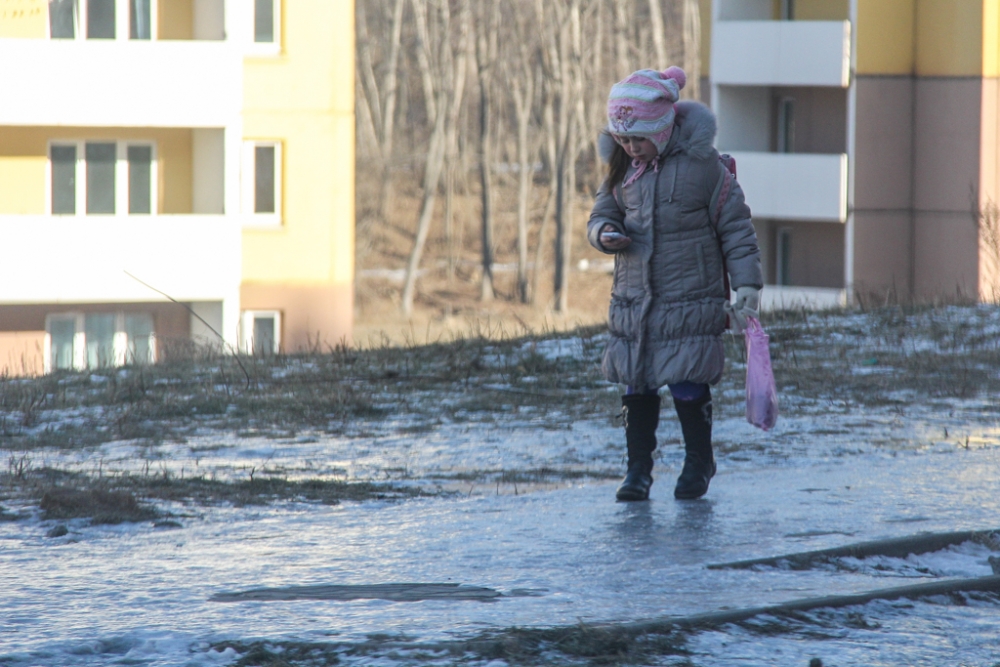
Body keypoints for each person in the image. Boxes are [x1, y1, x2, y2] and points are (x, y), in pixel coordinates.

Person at [586, 66, 763, 501]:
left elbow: (736, 228)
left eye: (637, 139)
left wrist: (747, 286)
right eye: (623, 139)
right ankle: (637, 470)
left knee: (687, 380)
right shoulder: (623, 169)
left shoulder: (703, 169)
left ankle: (698, 461)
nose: (629, 147)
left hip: (689, 298)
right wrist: (604, 236)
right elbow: (601, 214)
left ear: (662, 130)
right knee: (637, 383)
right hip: (634, 301)